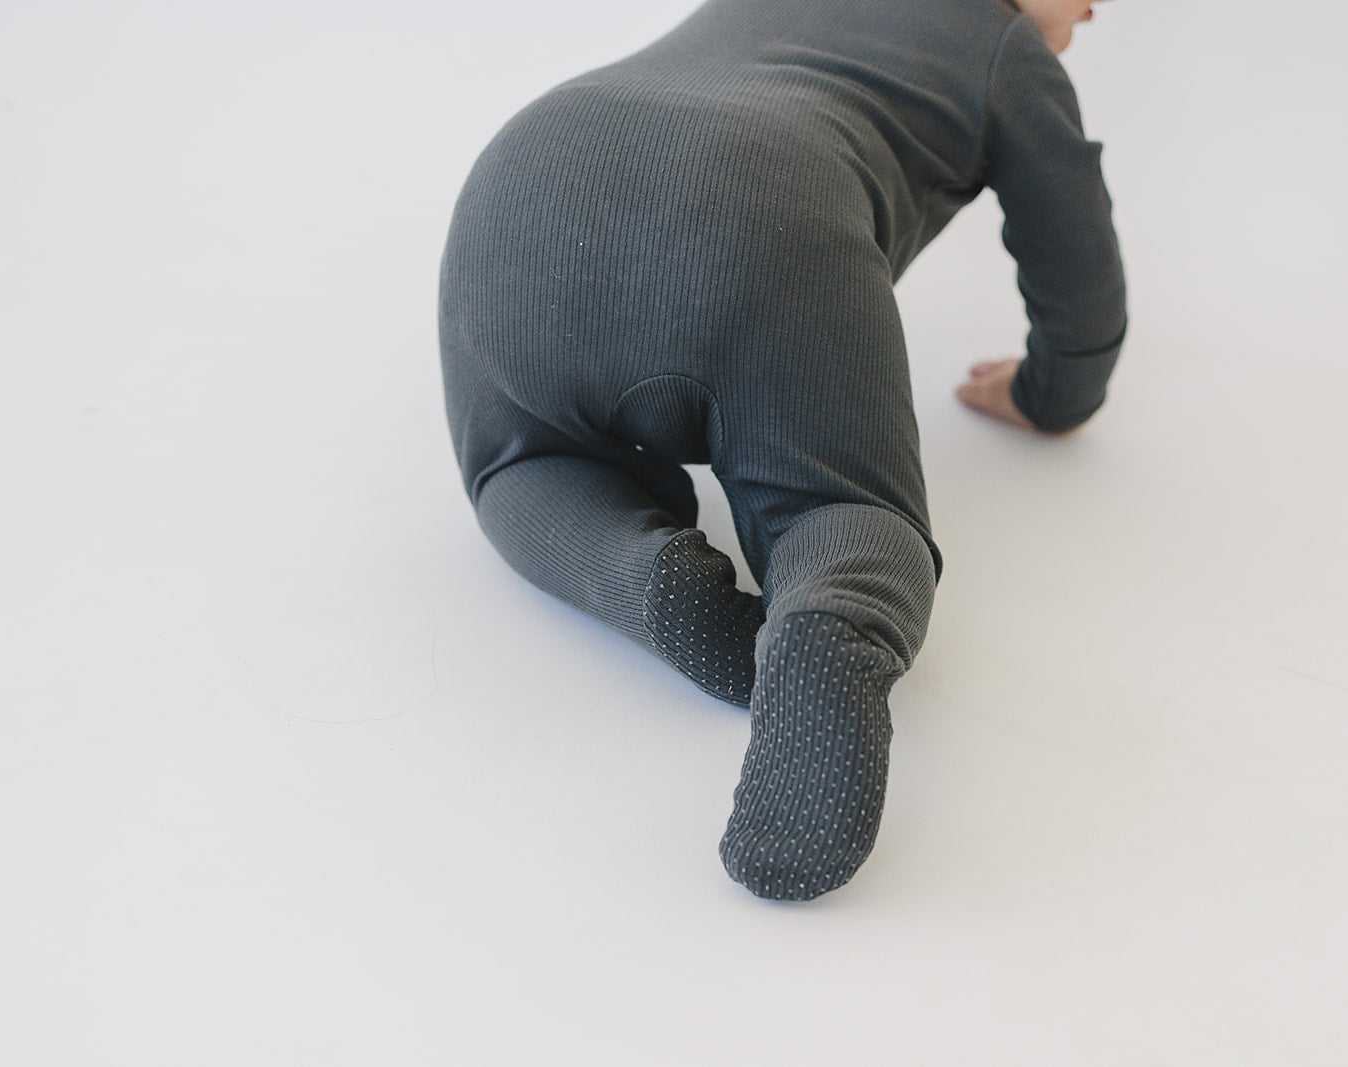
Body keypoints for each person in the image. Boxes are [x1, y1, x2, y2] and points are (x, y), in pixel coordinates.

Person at [438, 0, 1126, 901]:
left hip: (522, 185)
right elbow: (1074, 244)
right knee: (837, 510)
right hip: (763, 206)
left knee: (519, 468)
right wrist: (1055, 392)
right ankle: (828, 617)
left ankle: (647, 580)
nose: (1096, 9)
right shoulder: (1002, 45)